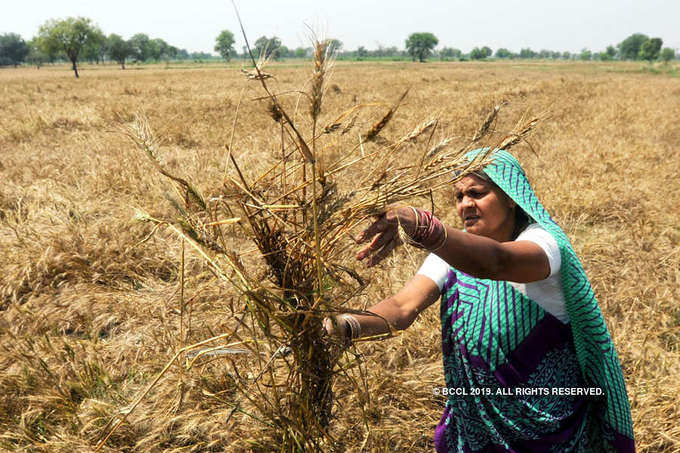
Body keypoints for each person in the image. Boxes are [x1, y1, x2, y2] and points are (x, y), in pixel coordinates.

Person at [324, 150, 635, 452]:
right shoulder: (452, 255)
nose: (465, 205)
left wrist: (425, 227)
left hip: (550, 433)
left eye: (476, 193)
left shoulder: (544, 243)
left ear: (511, 196)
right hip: (478, 434)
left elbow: (495, 263)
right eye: (459, 197)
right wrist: (338, 325)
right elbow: (402, 308)